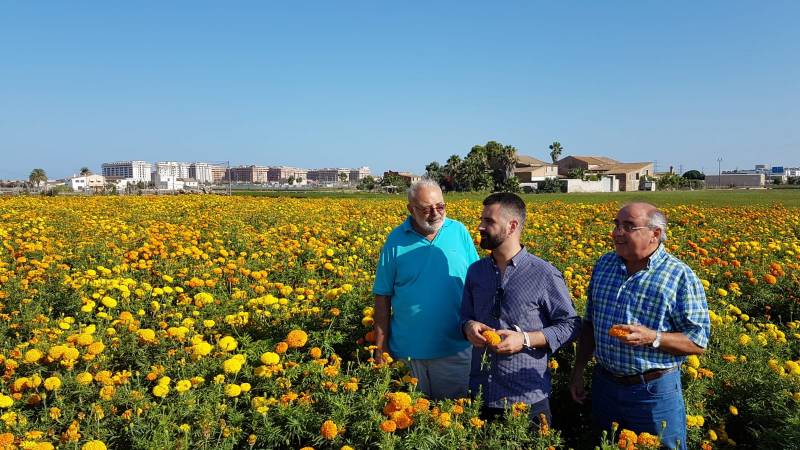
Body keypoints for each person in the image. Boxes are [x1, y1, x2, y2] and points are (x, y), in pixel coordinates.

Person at [569, 202, 710, 450]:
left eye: (628, 226)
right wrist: (578, 370)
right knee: (605, 445)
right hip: (605, 385)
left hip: (653, 391)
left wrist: (653, 337)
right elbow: (589, 324)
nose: (617, 232)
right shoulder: (604, 265)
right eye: (616, 225)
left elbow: (697, 341)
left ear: (655, 234)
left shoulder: (679, 276)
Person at [461, 192, 581, 424]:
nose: (480, 227)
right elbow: (464, 316)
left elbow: (572, 325)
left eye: (489, 221)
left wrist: (525, 339)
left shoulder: (544, 273)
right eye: (481, 220)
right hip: (480, 395)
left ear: (512, 225)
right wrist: (468, 326)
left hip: (526, 399)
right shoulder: (476, 271)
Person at [372, 178, 479, 400]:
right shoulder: (396, 240)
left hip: (455, 349)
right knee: (411, 423)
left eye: (440, 206)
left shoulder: (459, 231)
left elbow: (476, 283)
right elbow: (382, 296)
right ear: (410, 209)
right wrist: (381, 348)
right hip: (407, 353)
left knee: (452, 420)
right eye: (425, 209)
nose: (435, 213)